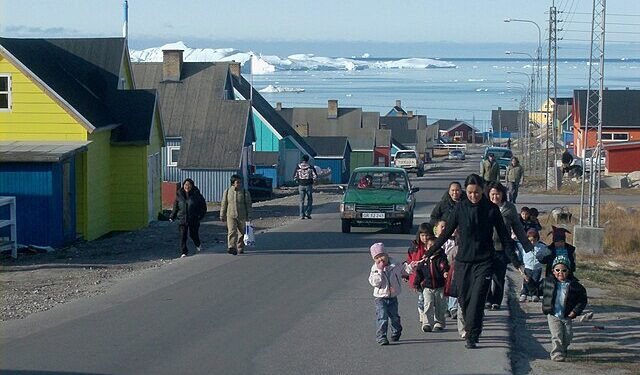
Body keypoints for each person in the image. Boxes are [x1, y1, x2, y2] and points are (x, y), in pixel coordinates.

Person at [426, 173, 527, 349]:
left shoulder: (491, 209)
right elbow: (446, 232)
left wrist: (516, 262)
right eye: (471, 192)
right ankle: (470, 327)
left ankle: (472, 335)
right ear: (467, 191)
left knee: (478, 299)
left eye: (478, 192)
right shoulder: (460, 208)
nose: (474, 196)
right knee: (464, 300)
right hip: (463, 261)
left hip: (484, 261)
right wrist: (430, 251)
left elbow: (504, 237)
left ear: (483, 191)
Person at [485, 181, 534, 310]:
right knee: (486, 275)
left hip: (502, 247)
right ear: (488, 195)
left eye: (498, 194)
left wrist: (527, 245)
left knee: (499, 276)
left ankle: (496, 301)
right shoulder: (484, 207)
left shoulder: (509, 208)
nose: (495, 197)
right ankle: (487, 299)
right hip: (486, 248)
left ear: (502, 195)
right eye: (492, 194)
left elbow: (517, 227)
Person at [368, 242, 419, 345]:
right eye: (376, 258)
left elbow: (404, 271)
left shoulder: (395, 264)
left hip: (392, 296)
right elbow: (375, 282)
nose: (380, 259)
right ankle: (381, 336)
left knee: (394, 316)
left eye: (382, 256)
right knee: (382, 317)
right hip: (380, 297)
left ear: (387, 255)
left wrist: (411, 266)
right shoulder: (375, 269)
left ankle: (396, 331)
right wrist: (380, 270)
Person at [542, 255, 588, 362]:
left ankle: (563, 349)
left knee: (567, 336)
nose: (560, 273)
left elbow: (582, 300)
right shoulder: (548, 282)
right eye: (557, 270)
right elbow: (536, 289)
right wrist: (528, 282)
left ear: (569, 271)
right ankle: (557, 354)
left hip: (567, 315)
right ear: (553, 271)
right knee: (557, 335)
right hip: (553, 314)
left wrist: (575, 311)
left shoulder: (575, 286)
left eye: (564, 270)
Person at [413, 234, 449, 332]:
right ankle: (427, 323)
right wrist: (416, 283)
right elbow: (419, 273)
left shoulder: (441, 257)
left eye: (435, 246)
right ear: (426, 248)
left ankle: (439, 323)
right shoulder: (425, 260)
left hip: (439, 286)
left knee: (440, 306)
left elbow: (444, 266)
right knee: (427, 305)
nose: (433, 248)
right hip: (427, 287)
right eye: (430, 246)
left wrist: (445, 272)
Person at [170, 178, 207, 258]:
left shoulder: (197, 195)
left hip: (193, 219)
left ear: (192, 186)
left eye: (189, 185)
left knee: (193, 235)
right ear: (183, 186)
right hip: (182, 219)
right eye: (185, 185)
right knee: (183, 236)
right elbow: (175, 207)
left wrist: (199, 216)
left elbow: (203, 207)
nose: (187, 187)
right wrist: (172, 216)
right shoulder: (179, 195)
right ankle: (184, 252)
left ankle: (198, 245)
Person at [406, 223, 432, 328]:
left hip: (431, 277)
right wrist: (406, 274)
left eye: (427, 235)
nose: (425, 238)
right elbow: (409, 261)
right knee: (422, 298)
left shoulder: (433, 245)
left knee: (430, 299)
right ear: (419, 235)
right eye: (422, 235)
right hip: (418, 277)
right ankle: (422, 312)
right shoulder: (414, 247)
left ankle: (429, 315)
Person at [220, 174, 252, 255]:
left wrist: (249, 215)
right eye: (237, 182)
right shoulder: (227, 191)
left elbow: (248, 204)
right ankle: (231, 247)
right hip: (230, 215)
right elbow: (224, 204)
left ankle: (240, 247)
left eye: (240, 182)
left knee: (242, 232)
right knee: (232, 231)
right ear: (233, 183)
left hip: (242, 215)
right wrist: (222, 215)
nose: (239, 184)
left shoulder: (244, 192)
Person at [434, 219, 459, 320]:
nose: (444, 229)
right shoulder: (435, 241)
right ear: (436, 229)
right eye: (442, 227)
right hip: (439, 267)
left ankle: (453, 308)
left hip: (452, 267)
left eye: (446, 227)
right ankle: (445, 308)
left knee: (452, 286)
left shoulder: (455, 240)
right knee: (442, 288)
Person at [518, 228, 547, 302]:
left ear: (537, 239)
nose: (532, 242)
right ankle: (523, 293)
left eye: (534, 240)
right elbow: (520, 253)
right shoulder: (524, 246)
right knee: (526, 280)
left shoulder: (541, 246)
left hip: (537, 267)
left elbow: (547, 252)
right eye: (530, 240)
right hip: (527, 267)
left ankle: (534, 295)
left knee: (534, 281)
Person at [293, 155, 317, 219]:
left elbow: (295, 177)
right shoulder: (310, 167)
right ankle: (308, 213)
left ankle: (301, 215)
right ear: (308, 160)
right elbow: (315, 176)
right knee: (309, 200)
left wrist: (298, 181)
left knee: (301, 201)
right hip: (308, 185)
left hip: (301, 185)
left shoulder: (298, 167)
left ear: (302, 159)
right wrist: (313, 181)